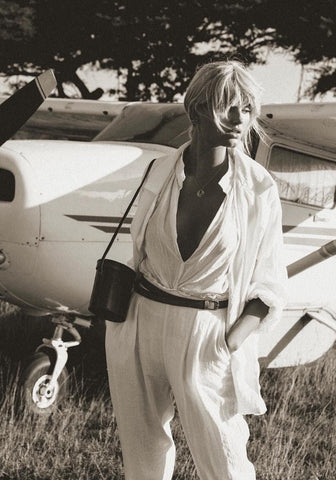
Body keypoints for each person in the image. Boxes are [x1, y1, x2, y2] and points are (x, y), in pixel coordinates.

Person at [105, 60, 287, 480]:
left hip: (208, 329)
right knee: (142, 454)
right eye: (229, 106)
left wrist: (229, 343)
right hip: (139, 319)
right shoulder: (160, 171)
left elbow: (271, 283)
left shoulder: (259, 187)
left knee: (225, 461)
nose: (241, 119)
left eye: (247, 108)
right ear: (197, 110)